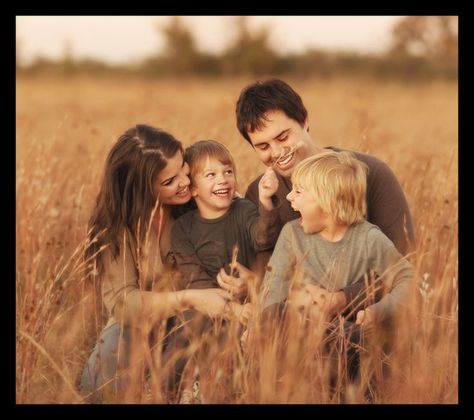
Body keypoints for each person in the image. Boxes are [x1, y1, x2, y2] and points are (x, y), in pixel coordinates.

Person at [79, 124, 241, 403]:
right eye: (168, 182)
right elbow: (123, 303)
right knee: (102, 385)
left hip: (204, 321)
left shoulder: (199, 201)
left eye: (183, 168)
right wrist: (190, 298)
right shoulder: (117, 227)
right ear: (141, 189)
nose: (184, 182)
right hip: (142, 323)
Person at [233, 78, 415, 319]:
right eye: (263, 146)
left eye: (283, 137)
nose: (276, 152)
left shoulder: (370, 173)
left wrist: (341, 299)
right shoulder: (260, 192)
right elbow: (270, 274)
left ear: (305, 121)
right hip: (297, 323)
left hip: (365, 321)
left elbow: (406, 265)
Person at [255, 151, 413, 390]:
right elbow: (274, 283)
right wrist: (262, 326)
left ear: (327, 202)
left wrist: (379, 311)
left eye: (298, 191)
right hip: (301, 335)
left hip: (347, 337)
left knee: (342, 338)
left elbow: (407, 279)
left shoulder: (368, 238)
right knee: (276, 313)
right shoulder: (292, 234)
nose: (289, 197)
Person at [171, 140, 281, 300]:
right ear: (193, 188)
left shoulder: (244, 209)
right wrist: (227, 309)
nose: (223, 179)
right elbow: (196, 281)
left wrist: (265, 199)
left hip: (250, 299)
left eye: (228, 172)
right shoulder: (182, 228)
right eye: (211, 175)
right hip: (209, 307)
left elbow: (264, 239)